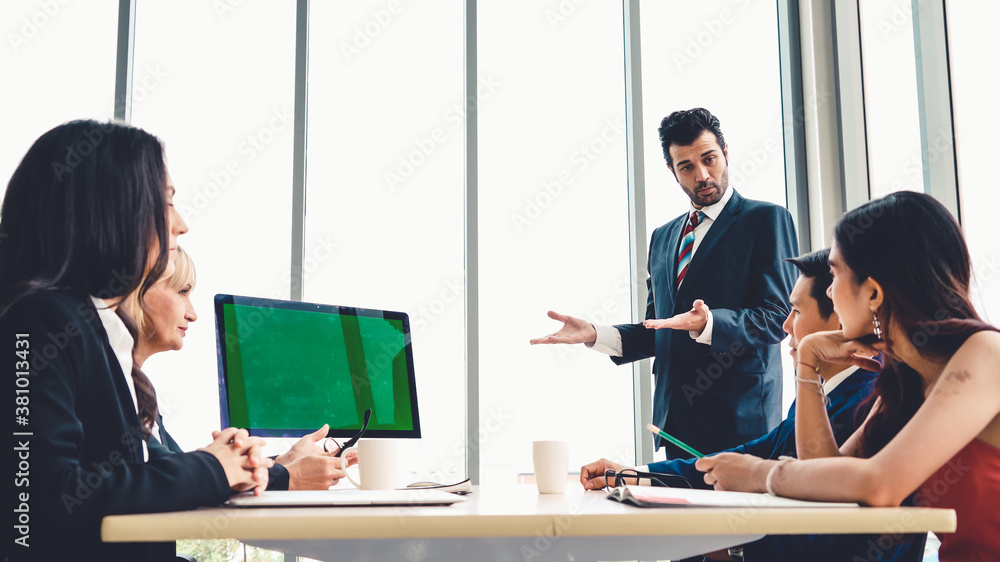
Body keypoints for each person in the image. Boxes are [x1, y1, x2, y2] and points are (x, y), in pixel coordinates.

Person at [1, 120, 268, 561]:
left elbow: (124, 476)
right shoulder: (38, 319)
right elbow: (45, 501)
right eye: (165, 202)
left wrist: (225, 465)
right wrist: (210, 467)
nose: (180, 225)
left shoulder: (88, 325)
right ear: (108, 209)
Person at [696, 191, 1000, 561]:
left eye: (834, 274)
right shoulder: (908, 379)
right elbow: (828, 475)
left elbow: (880, 484)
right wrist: (807, 364)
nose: (828, 291)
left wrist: (762, 475)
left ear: (872, 292)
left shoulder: (986, 354)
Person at [580, 248, 925, 560]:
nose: (786, 325)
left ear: (838, 319)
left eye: (796, 310)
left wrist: (732, 546)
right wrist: (634, 475)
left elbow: (835, 533)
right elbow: (749, 455)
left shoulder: (867, 401)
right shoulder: (831, 392)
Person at [531, 108, 798, 458]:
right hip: (677, 424)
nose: (702, 175)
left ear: (726, 153)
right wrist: (596, 334)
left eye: (709, 159)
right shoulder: (663, 238)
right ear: (672, 171)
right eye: (687, 166)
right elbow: (658, 328)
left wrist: (710, 322)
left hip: (742, 421)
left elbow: (777, 316)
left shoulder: (765, 219)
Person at [124, 247, 358, 490]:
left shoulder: (139, 388)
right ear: (135, 291)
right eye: (182, 291)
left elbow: (175, 468)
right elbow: (169, 480)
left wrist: (285, 462)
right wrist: (289, 477)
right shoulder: (115, 387)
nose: (193, 314)